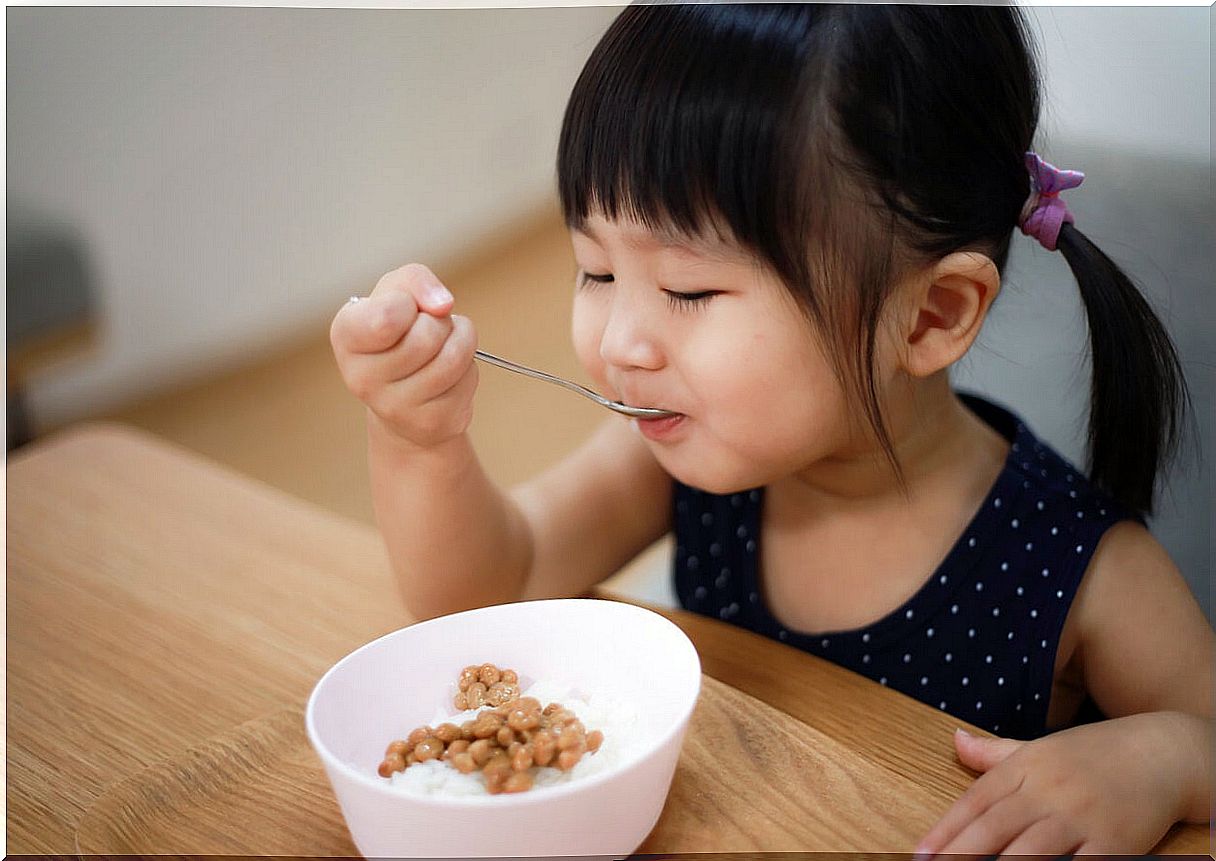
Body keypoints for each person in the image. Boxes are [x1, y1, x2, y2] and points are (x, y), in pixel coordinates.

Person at [330, 4, 1211, 854]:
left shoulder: (1081, 570)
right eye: (594, 268)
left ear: (930, 315)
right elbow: (494, 585)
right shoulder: (677, 456)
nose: (621, 343)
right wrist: (419, 437)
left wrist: (1164, 760)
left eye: (688, 289)